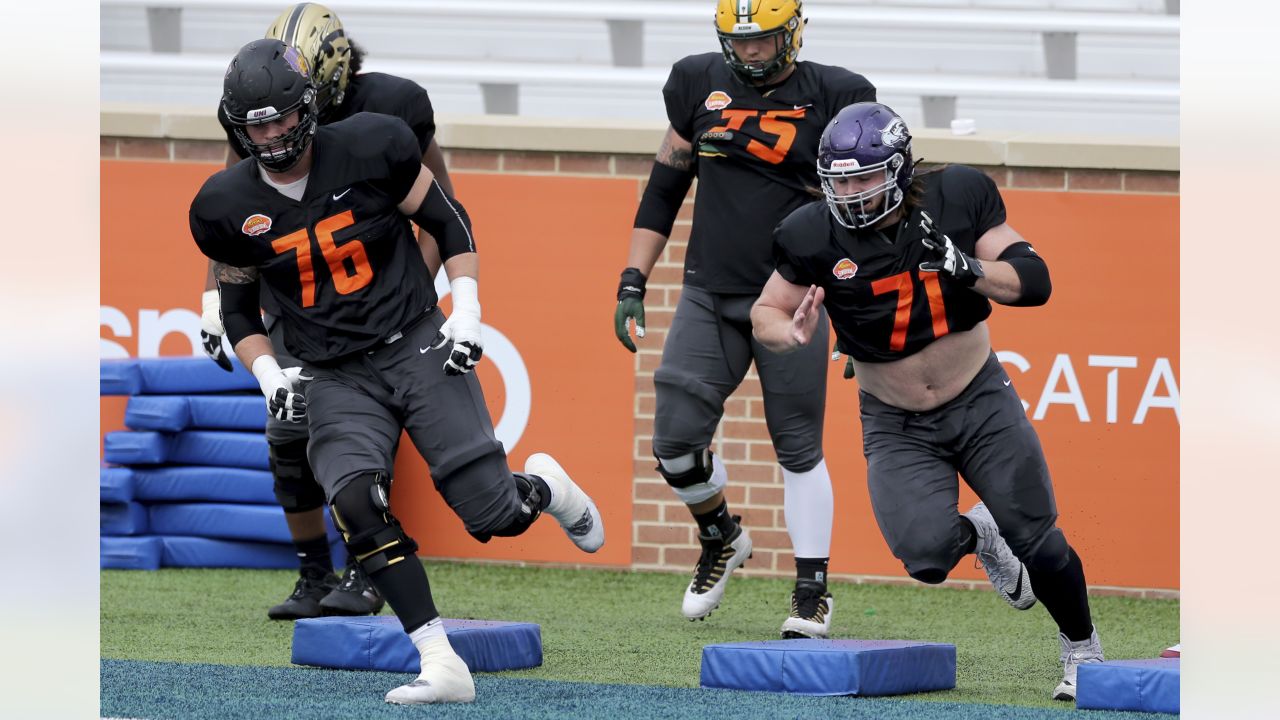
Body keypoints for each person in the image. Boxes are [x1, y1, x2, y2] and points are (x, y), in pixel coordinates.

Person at [191, 39, 604, 704]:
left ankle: (544, 490)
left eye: (282, 118)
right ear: (235, 124)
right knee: (354, 497)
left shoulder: (374, 144)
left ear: (309, 109)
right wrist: (270, 376)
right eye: (256, 123)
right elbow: (239, 310)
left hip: (412, 338)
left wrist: (465, 308)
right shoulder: (223, 204)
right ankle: (439, 660)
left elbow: (447, 219)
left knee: (489, 513)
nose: (271, 135)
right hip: (330, 370)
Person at [751, 101, 1103, 701]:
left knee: (1039, 538)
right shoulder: (809, 231)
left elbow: (1034, 279)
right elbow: (766, 311)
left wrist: (967, 268)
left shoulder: (956, 195)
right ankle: (984, 537)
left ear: (898, 168)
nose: (851, 194)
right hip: (896, 421)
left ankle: (1083, 648)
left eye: (863, 178)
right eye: (839, 181)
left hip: (978, 397)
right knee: (925, 553)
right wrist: (791, 333)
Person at [613, 0, 874, 637]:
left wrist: (862, 312)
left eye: (764, 40)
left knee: (798, 449)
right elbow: (664, 187)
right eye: (740, 40)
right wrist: (632, 279)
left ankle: (812, 590)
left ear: (794, 32)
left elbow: (866, 208)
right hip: (709, 291)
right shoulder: (696, 81)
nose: (752, 51)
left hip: (793, 295)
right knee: (673, 442)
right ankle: (722, 535)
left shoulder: (838, 94)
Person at [197, 2, 457, 621]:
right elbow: (232, 218)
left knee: (368, 428)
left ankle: (365, 571)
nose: (276, 121)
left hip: (377, 294)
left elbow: (441, 210)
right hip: (298, 297)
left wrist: (404, 301)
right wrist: (213, 298)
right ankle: (313, 571)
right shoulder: (260, 119)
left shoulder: (392, 108)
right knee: (288, 434)